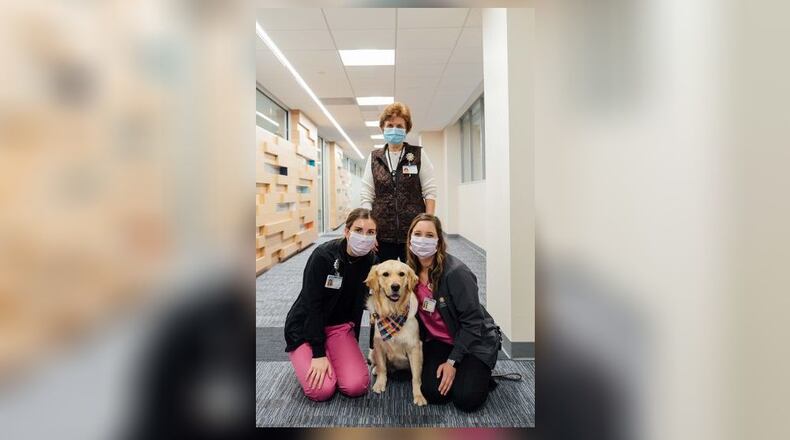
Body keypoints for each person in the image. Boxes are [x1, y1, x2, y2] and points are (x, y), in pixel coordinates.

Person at [405, 214, 503, 412]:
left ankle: (479, 373)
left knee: (465, 400)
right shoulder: (410, 273)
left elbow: (473, 323)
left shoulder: (456, 273)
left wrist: (452, 362)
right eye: (417, 234)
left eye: (429, 235)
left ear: (439, 241)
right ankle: (465, 374)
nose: (422, 240)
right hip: (441, 341)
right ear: (409, 240)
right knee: (433, 394)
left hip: (474, 341)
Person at [283, 208, 378, 401]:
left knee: (356, 386)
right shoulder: (323, 256)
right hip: (305, 328)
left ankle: (334, 355)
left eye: (370, 232)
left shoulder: (371, 261)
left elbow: (370, 305)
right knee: (322, 391)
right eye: (358, 230)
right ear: (346, 231)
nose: (364, 236)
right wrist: (318, 354)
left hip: (340, 328)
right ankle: (310, 354)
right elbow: (312, 306)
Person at [361, 102, 437, 263]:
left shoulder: (417, 155)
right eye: (390, 125)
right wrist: (368, 231)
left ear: (406, 129)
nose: (394, 129)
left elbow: (430, 192)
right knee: (383, 279)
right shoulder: (374, 157)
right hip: (382, 233)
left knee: (412, 278)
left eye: (399, 125)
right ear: (382, 128)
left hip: (413, 233)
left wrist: (428, 225)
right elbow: (367, 195)